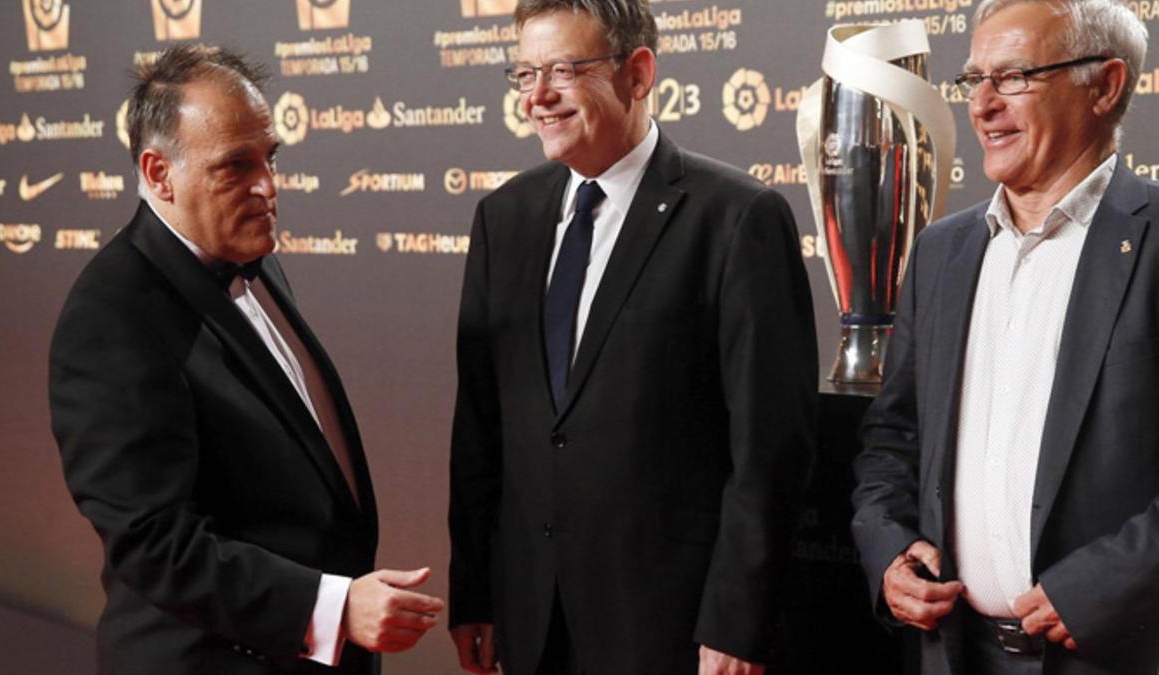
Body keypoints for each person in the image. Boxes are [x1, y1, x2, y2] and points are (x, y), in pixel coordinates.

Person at [446, 2, 818, 673]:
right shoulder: (503, 218)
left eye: (563, 70)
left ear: (638, 74)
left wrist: (737, 621)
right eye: (524, 73)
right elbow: (480, 432)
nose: (537, 97)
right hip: (533, 623)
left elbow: (769, 451)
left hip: (674, 632)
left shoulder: (736, 220)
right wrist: (474, 590)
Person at [49, 46, 443, 674]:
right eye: (235, 166)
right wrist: (333, 607)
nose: (267, 186)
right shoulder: (112, 313)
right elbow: (152, 543)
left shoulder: (254, 260)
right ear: (158, 174)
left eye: (270, 158)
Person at [851, 1, 1159, 672]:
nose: (983, 104)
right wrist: (889, 546)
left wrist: (1108, 586)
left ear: (1106, 86)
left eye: (1014, 76)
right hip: (953, 652)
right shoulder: (941, 252)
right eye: (974, 80)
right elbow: (893, 434)